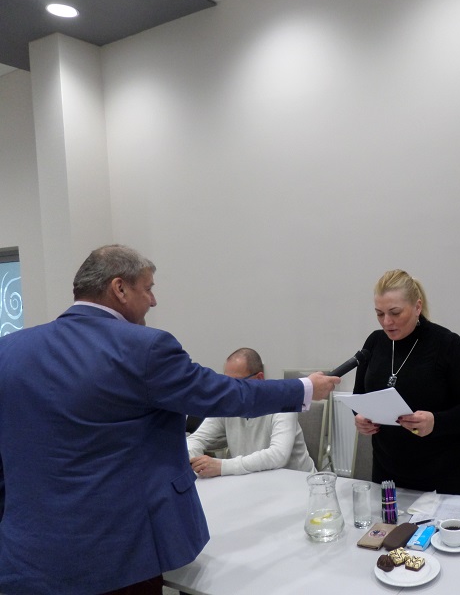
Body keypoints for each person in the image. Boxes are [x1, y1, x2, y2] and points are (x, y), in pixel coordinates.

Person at [0, 244, 339, 595]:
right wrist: (304, 388)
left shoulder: (8, 351)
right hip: (116, 554)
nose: (153, 301)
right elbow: (223, 393)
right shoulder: (143, 348)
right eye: (148, 288)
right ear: (120, 288)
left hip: (25, 557)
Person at [353, 269, 460, 495]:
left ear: (417, 307)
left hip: (445, 473)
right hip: (387, 469)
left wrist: (436, 422)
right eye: (379, 314)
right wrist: (360, 418)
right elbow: (359, 396)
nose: (387, 322)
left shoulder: (449, 346)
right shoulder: (374, 342)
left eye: (395, 312)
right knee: (387, 520)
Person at [188, 347, 316, 476]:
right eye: (227, 383)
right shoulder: (228, 402)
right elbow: (196, 439)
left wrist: (222, 466)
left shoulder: (282, 401)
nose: (231, 390)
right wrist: (194, 463)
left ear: (259, 378)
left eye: (237, 382)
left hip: (297, 480)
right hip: (251, 479)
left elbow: (278, 455)